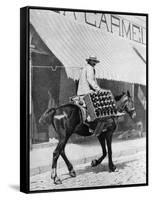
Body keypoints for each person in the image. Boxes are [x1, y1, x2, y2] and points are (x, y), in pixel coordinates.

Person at [77, 56, 106, 136]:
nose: (94, 63)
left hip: (82, 90)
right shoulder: (89, 68)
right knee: (98, 103)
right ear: (90, 61)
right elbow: (90, 80)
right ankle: (91, 122)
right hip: (86, 91)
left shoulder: (86, 67)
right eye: (93, 61)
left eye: (95, 62)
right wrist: (98, 89)